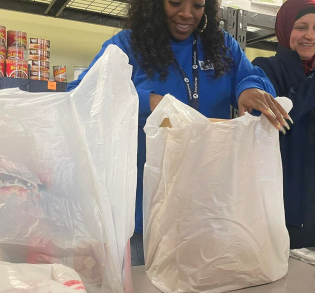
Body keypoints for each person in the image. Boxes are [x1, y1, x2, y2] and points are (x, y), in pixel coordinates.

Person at [68, 0, 290, 234]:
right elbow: (81, 96)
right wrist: (148, 102)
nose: (186, 14)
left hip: (209, 212)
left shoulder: (221, 45)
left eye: (197, 5)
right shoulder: (126, 46)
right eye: (175, 2)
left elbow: (253, 78)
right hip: (141, 214)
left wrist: (250, 88)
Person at [252, 0, 315, 248]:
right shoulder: (265, 69)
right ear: (285, 29)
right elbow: (275, 119)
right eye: (301, 27)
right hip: (289, 209)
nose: (310, 35)